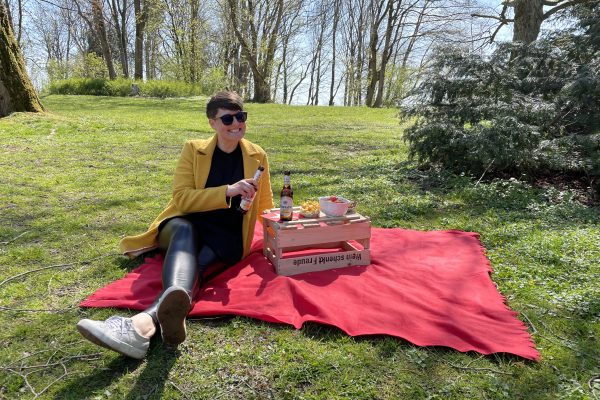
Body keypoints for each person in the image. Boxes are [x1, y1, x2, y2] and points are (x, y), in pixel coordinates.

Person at [77, 91, 274, 359]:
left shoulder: (257, 155)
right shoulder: (194, 149)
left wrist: (279, 233)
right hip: (185, 222)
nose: (236, 123)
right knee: (186, 235)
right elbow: (181, 198)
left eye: (241, 116)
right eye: (227, 118)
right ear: (212, 123)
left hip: (228, 233)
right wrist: (228, 191)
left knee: (196, 269)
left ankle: (141, 327)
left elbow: (266, 206)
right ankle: (142, 325)